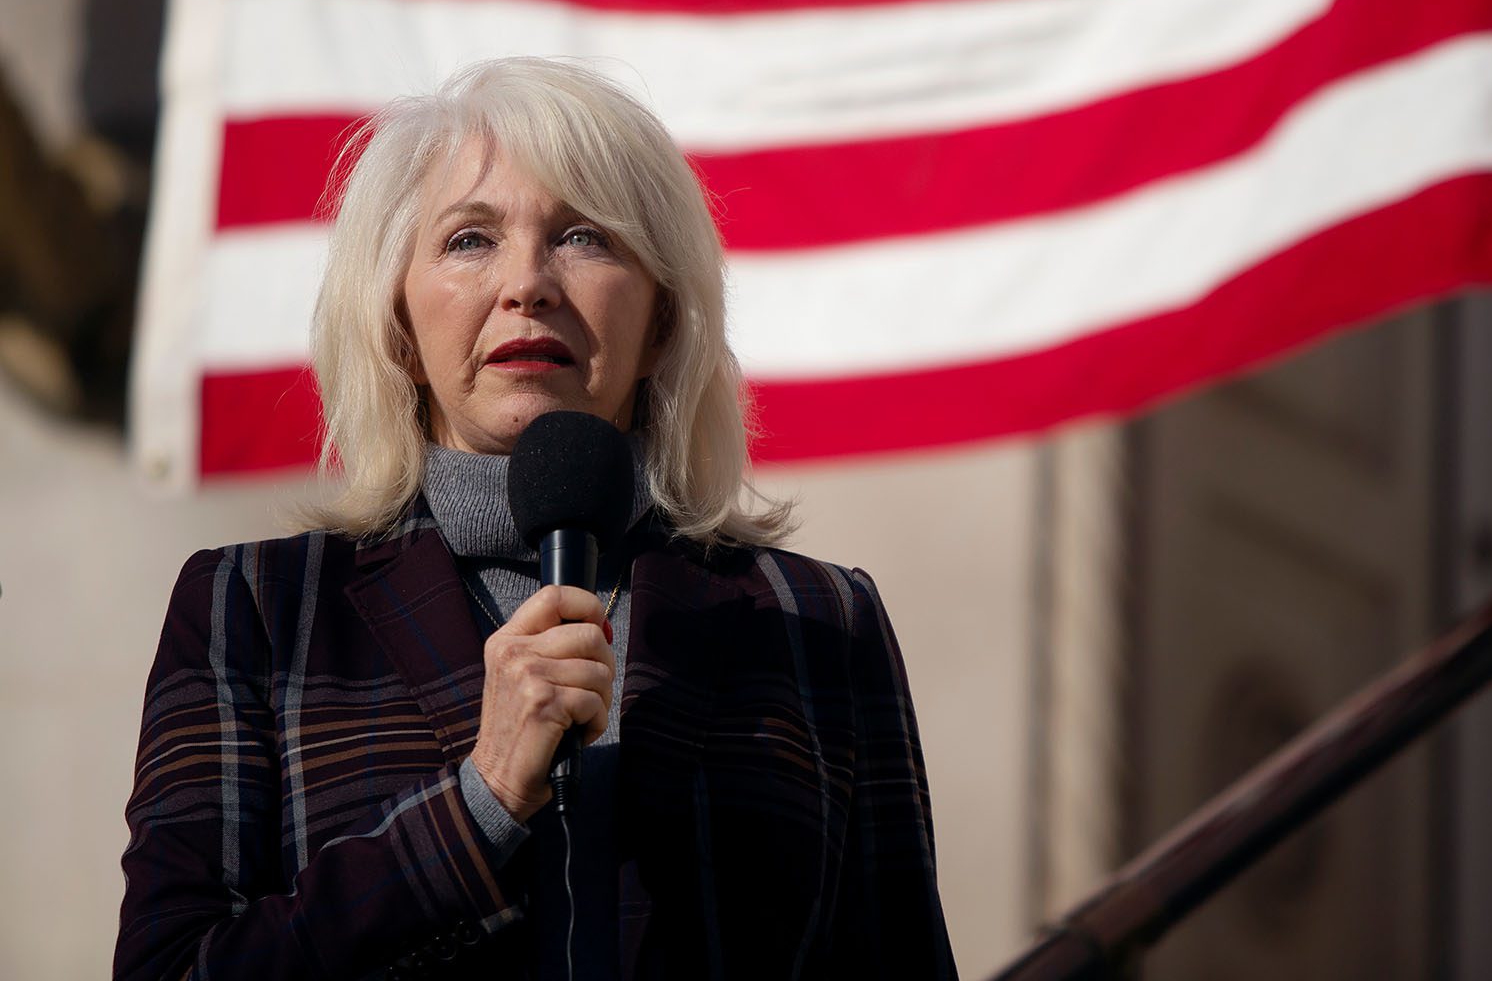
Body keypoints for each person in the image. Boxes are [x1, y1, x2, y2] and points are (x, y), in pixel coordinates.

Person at [115, 57, 958, 979]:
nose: (528, 284)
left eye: (585, 237)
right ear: (398, 326)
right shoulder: (257, 610)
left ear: (664, 324)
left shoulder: (817, 623)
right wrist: (480, 801)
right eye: (470, 239)